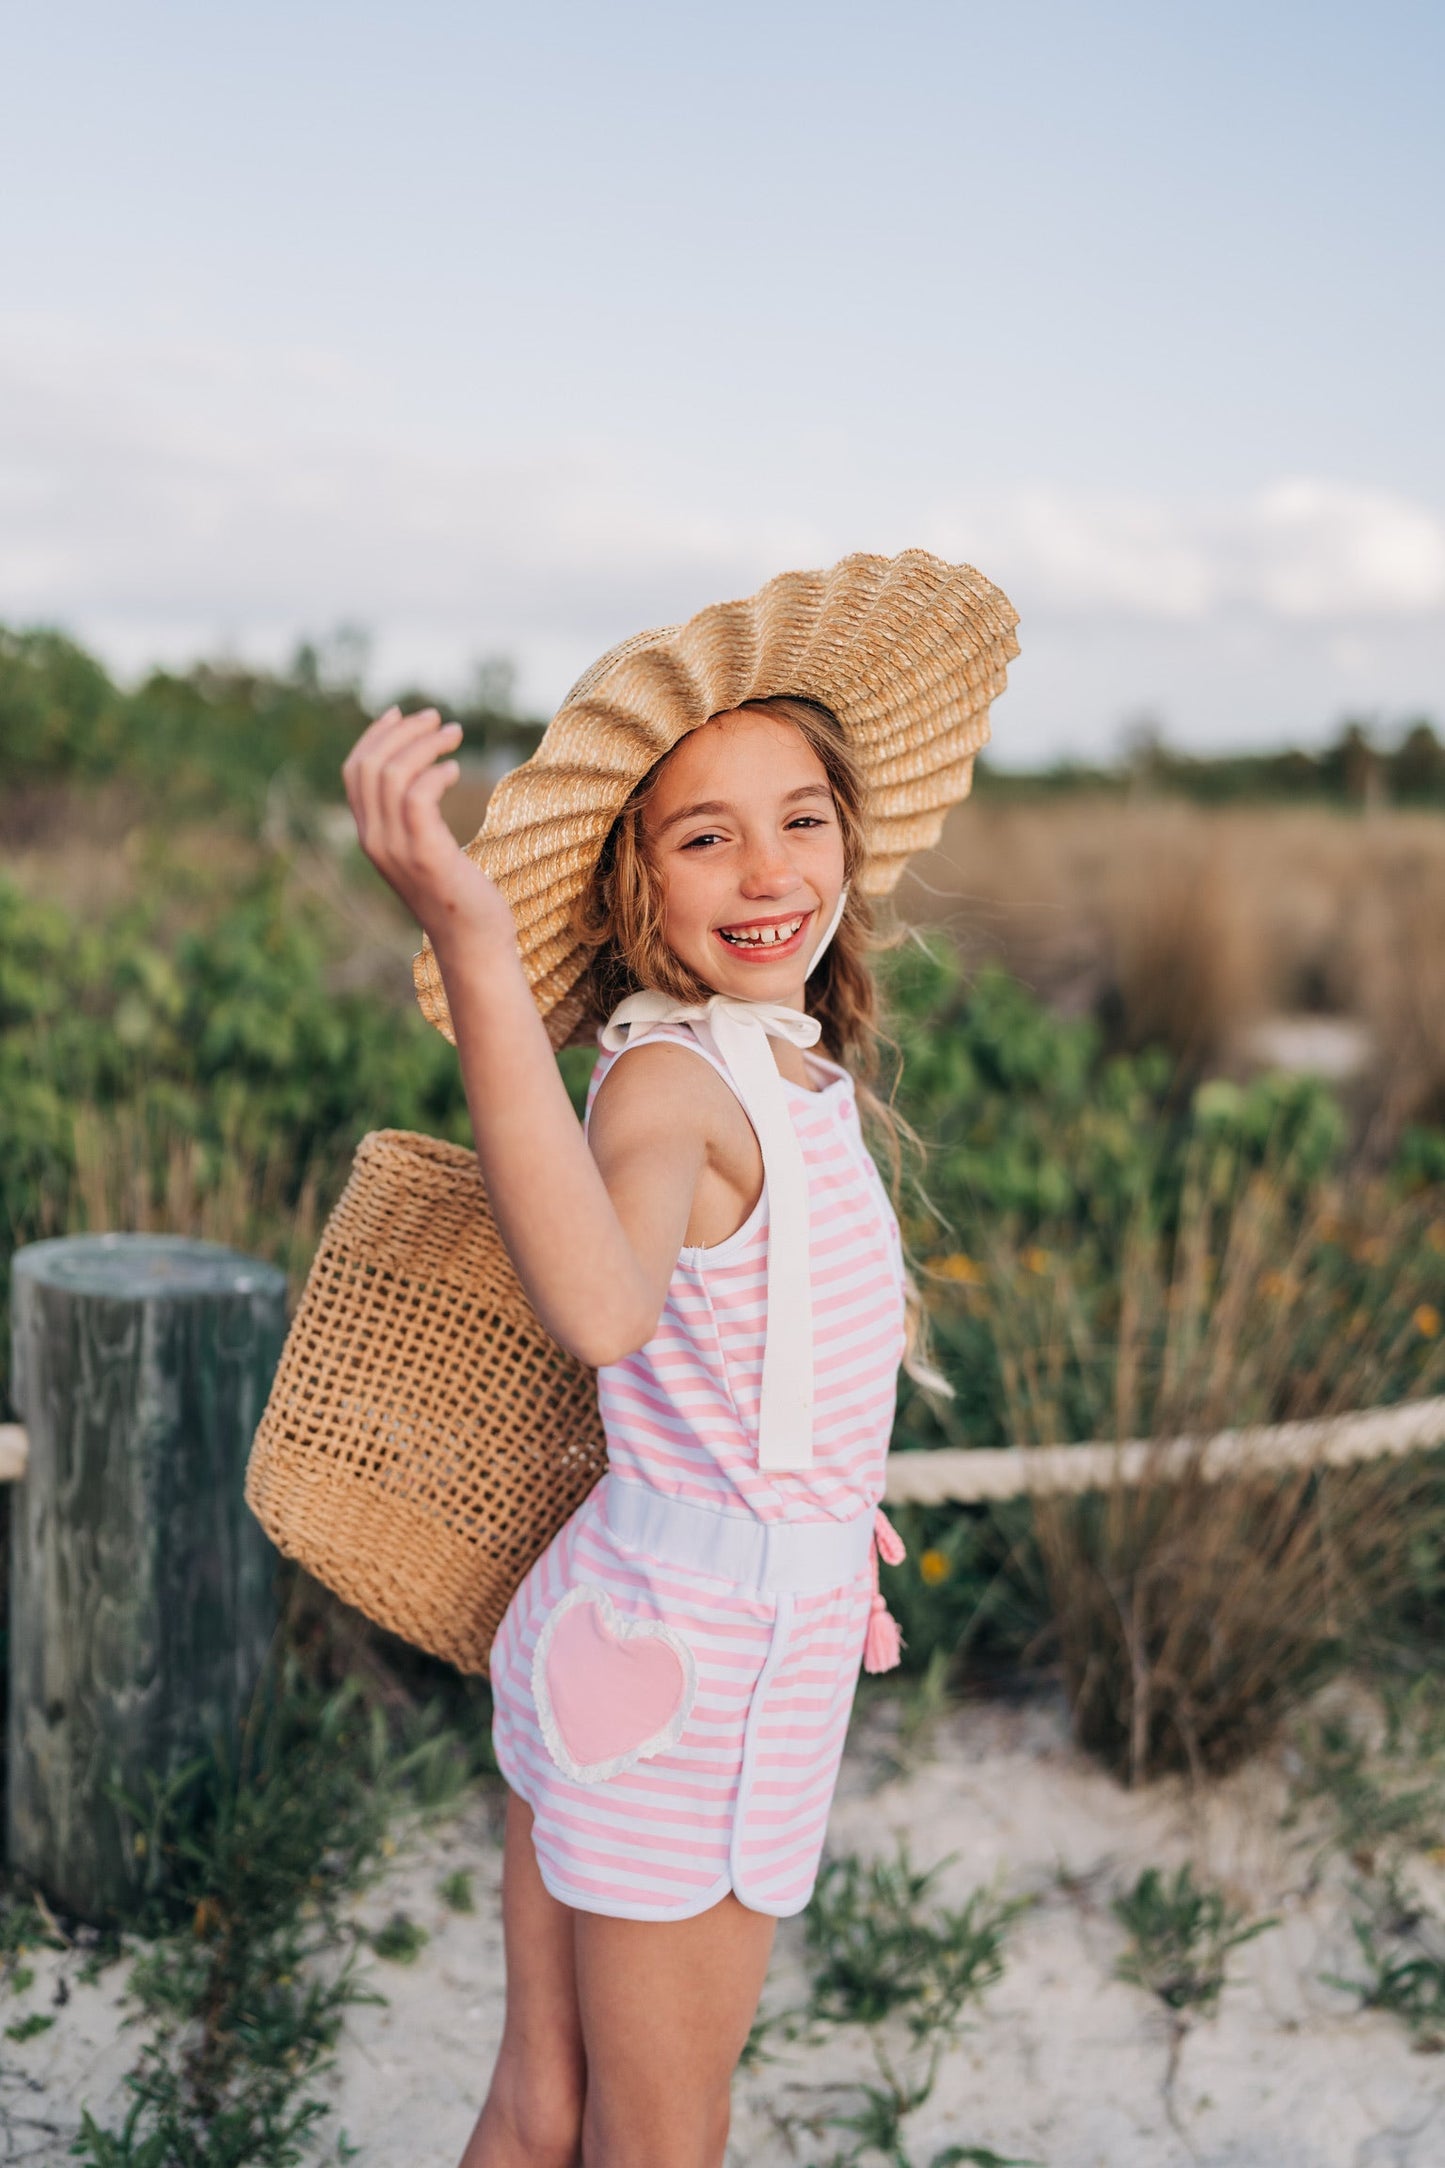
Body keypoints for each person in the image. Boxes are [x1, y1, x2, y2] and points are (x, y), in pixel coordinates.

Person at [342, 554, 1017, 2168]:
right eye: (703, 834)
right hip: (700, 1686)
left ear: (852, 837)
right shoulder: (671, 1091)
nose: (765, 864)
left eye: (799, 816)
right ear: (640, 883)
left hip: (632, 1633)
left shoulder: (779, 1068)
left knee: (545, 2105)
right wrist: (476, 943)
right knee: (656, 2139)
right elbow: (596, 1303)